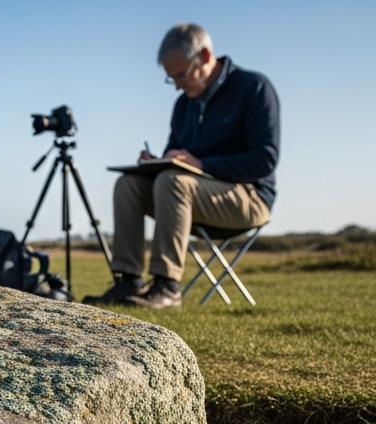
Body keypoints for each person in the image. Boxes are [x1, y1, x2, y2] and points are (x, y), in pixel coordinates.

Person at [85, 23, 279, 309]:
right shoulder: (183, 105)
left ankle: (167, 286)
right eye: (171, 78)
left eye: (181, 75)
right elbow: (175, 159)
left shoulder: (253, 88)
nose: (177, 85)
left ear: (205, 55)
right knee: (128, 184)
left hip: (248, 199)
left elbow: (265, 159)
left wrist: (201, 164)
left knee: (172, 181)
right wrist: (156, 162)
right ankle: (129, 280)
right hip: (186, 195)